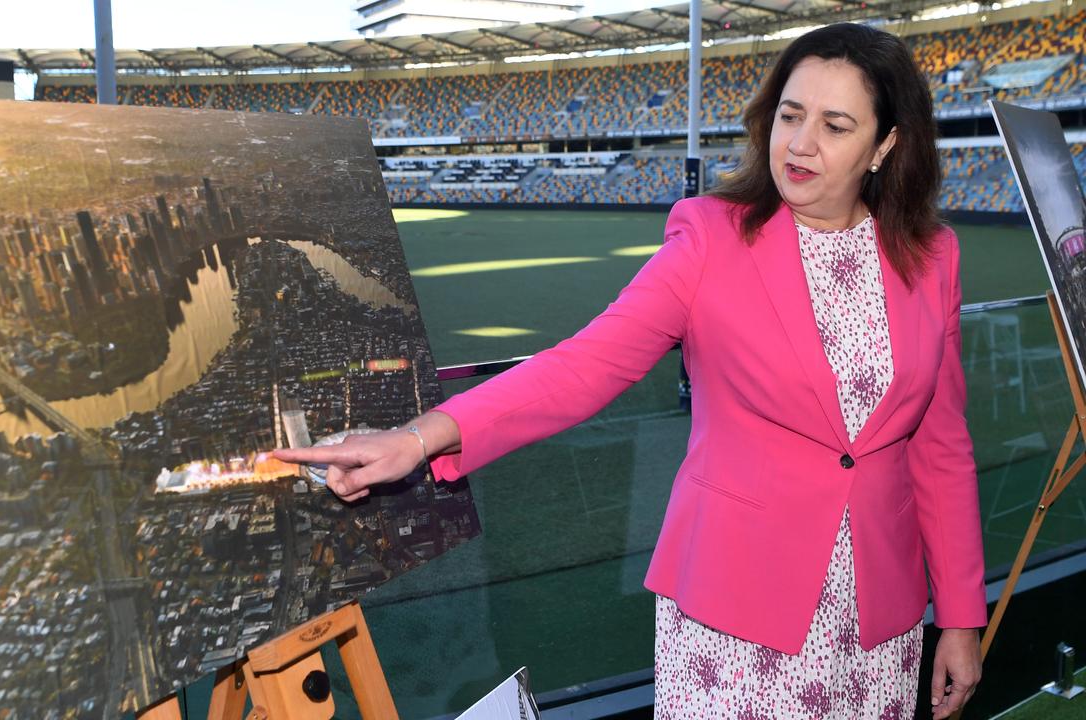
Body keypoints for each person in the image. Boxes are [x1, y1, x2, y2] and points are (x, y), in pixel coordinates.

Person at [276, 22, 986, 720]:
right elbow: (586, 365)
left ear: (885, 145)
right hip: (734, 614)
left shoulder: (933, 259)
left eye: (835, 125)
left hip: (877, 623)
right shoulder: (711, 236)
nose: (800, 144)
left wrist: (959, 617)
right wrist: (420, 437)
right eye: (790, 115)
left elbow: (941, 448)